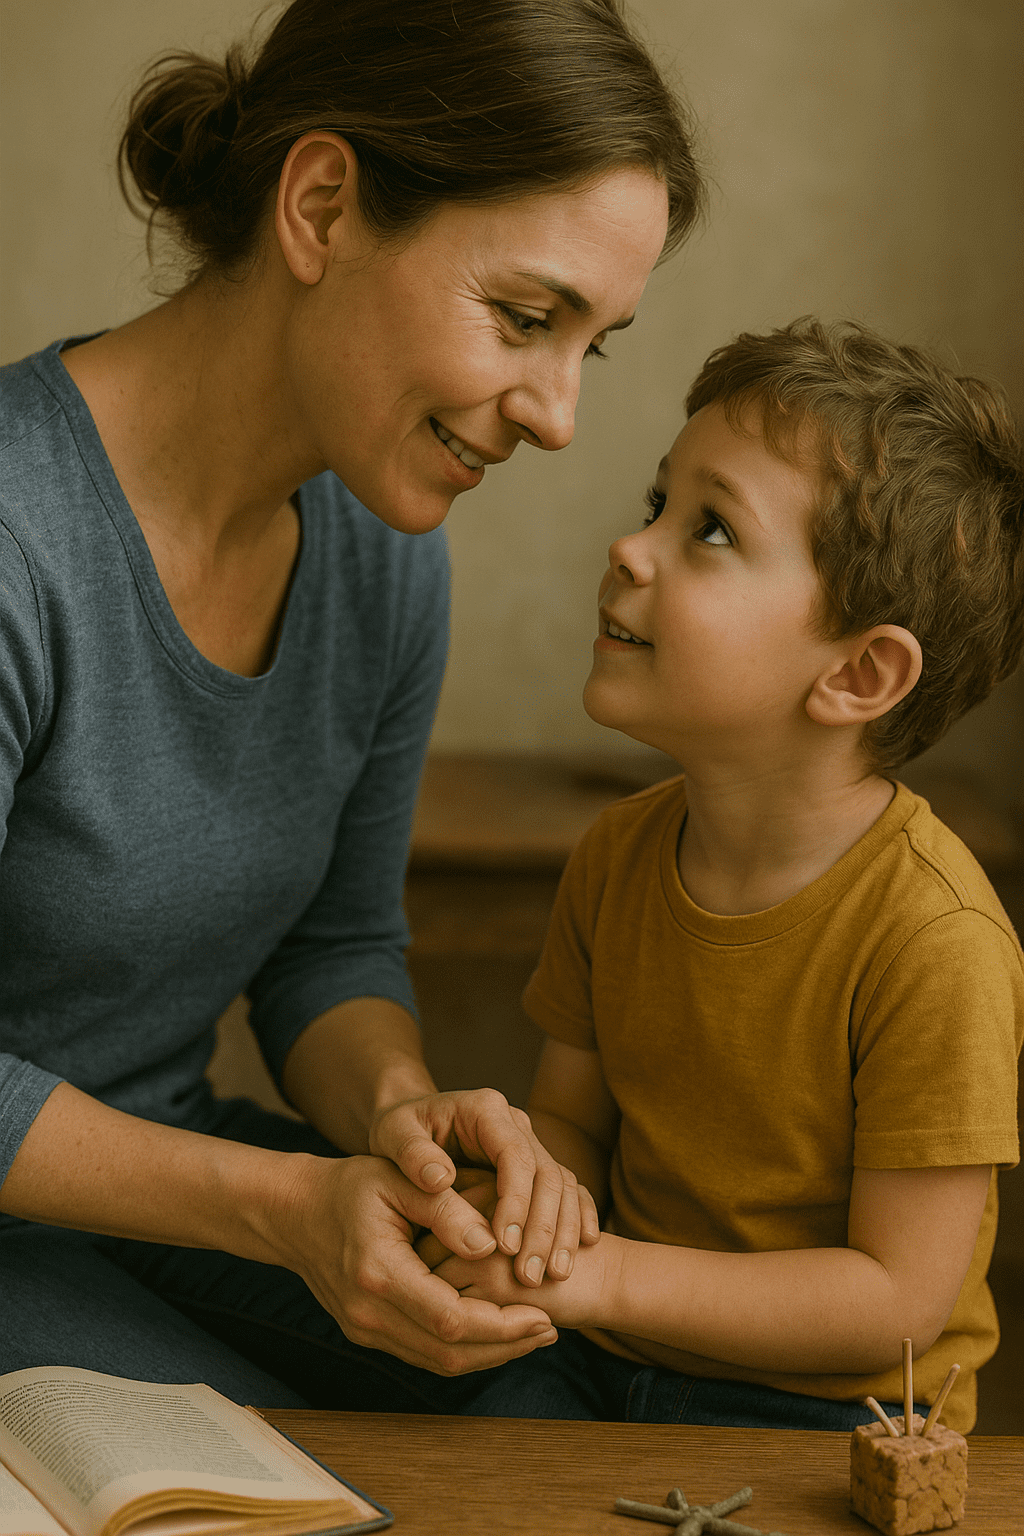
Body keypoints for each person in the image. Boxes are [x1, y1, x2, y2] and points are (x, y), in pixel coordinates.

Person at [0, 0, 706, 1405]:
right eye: (526, 317)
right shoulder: (20, 538)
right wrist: (280, 1210)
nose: (559, 414)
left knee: (545, 1399)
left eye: (593, 345)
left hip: (158, 1192)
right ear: (320, 206)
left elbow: (332, 949)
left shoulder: (386, 559)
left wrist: (401, 1122)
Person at [329, 317, 1024, 1429]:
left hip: (835, 1419)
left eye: (708, 529)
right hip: (604, 1356)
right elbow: (576, 1124)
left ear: (857, 671)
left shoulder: (934, 942)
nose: (629, 546)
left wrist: (598, 1273)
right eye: (658, 504)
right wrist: (532, 1199)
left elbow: (893, 1306)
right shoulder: (618, 854)